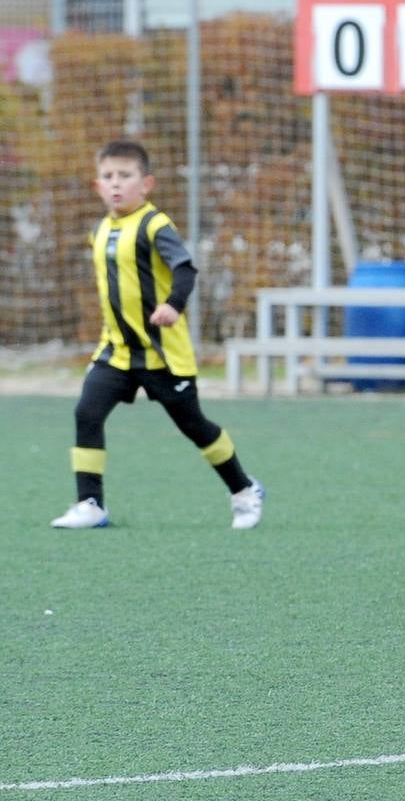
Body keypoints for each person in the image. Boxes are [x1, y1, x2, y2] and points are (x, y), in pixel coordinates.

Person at [51, 140, 265, 531]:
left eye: (125, 176)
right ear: (98, 186)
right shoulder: (99, 231)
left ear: (146, 184)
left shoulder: (155, 225)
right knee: (86, 413)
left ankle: (244, 489)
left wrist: (173, 305)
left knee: (194, 426)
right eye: (108, 176)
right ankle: (90, 504)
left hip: (163, 355)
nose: (116, 184)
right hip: (116, 352)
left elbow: (185, 270)